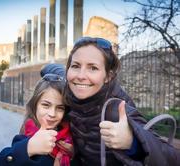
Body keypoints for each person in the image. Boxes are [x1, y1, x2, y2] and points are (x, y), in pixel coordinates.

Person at [63, 37, 180, 165]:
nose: (80, 76)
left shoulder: (118, 109)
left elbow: (172, 158)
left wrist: (132, 143)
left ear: (108, 76)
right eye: (75, 66)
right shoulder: (67, 96)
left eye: (93, 68)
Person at [0, 64, 78, 166]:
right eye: (46, 105)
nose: (52, 114)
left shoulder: (73, 140)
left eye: (60, 108)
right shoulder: (23, 140)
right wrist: (28, 149)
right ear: (35, 105)